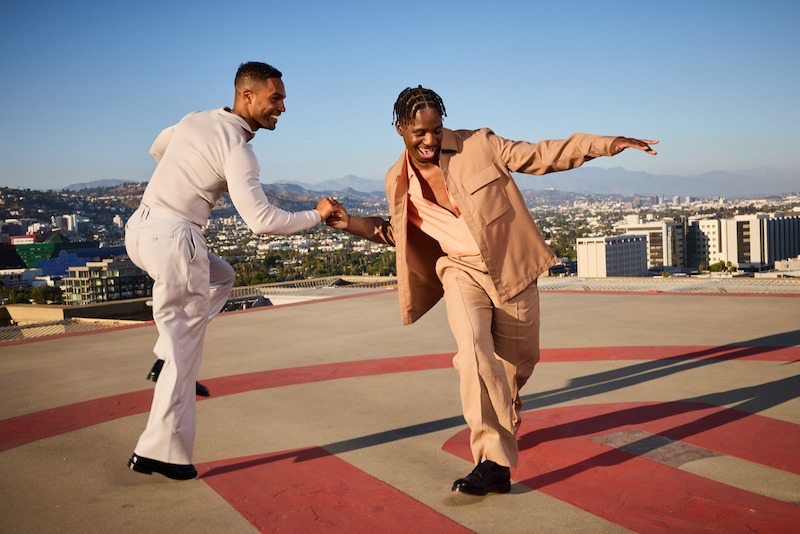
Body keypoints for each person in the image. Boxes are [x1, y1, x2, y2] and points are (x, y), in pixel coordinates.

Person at [326, 86, 657, 495]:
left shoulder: (478, 145)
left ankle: (507, 405)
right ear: (399, 129)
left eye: (436, 129)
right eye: (419, 133)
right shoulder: (397, 180)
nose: (430, 140)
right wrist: (351, 222)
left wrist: (606, 144)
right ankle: (492, 463)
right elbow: (399, 232)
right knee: (473, 354)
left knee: (516, 367)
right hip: (459, 271)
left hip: (510, 270)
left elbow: (542, 155)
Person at [126, 61, 339, 480]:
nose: (282, 107)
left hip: (141, 229)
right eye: (275, 98)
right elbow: (262, 222)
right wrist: (316, 214)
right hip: (175, 239)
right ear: (249, 96)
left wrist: (194, 170)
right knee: (185, 356)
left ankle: (164, 355)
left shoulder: (196, 119)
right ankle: (159, 451)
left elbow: (157, 149)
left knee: (221, 276)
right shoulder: (239, 150)